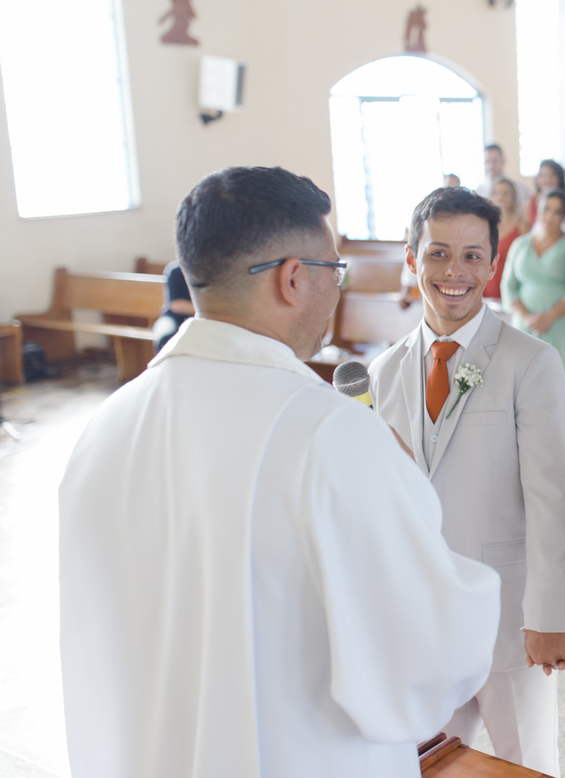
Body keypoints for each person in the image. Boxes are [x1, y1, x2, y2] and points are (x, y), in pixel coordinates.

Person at [59, 166, 502, 778]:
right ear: (295, 278)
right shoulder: (331, 435)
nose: (337, 289)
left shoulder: (105, 426)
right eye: (334, 270)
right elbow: (425, 658)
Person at [369, 186, 565, 775]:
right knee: (428, 763)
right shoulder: (384, 373)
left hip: (509, 618)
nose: (454, 272)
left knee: (527, 763)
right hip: (422, 621)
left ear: (493, 263)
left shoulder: (530, 362)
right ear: (411, 258)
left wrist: (549, 615)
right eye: (437, 254)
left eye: (470, 256)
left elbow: (552, 498)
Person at [502, 190, 565, 477]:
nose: (551, 216)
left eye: (558, 211)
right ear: (538, 211)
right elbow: (509, 286)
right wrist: (526, 316)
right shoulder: (520, 244)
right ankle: (529, 460)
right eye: (547, 210)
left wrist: (548, 316)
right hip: (525, 328)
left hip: (563, 326)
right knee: (527, 392)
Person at [484, 178, 528, 301]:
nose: (500, 197)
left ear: (513, 197)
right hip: (487, 286)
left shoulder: (521, 226)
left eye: (506, 193)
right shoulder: (484, 225)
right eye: (497, 192)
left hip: (512, 286)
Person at [151, 260, 194, 352]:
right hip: (174, 318)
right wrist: (206, 309)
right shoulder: (176, 270)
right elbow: (176, 305)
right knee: (165, 334)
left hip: (201, 318)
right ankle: (164, 365)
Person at [477, 144, 531, 208]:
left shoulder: (520, 188)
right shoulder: (478, 192)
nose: (491, 166)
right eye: (487, 161)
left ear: (503, 161)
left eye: (494, 161)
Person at [527, 158, 565, 225]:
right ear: (538, 178)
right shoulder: (529, 203)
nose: (548, 180)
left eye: (552, 175)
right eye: (543, 175)